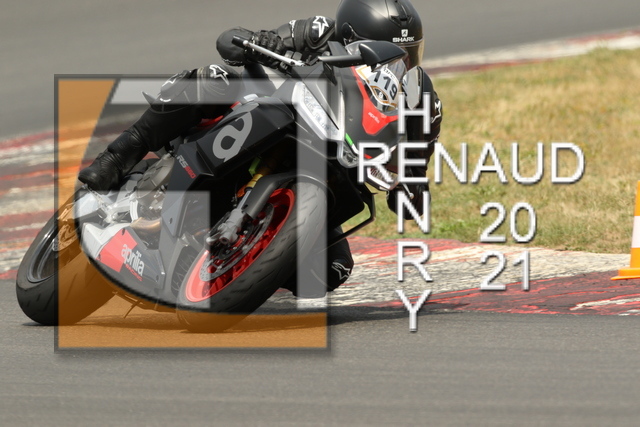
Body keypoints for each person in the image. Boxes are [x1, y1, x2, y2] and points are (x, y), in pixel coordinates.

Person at [78, 0, 443, 295]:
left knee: (332, 270)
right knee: (211, 80)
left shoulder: (422, 98)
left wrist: (411, 185)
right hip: (271, 114)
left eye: (408, 54)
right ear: (352, 37)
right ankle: (118, 156)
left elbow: (416, 165)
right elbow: (234, 42)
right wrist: (261, 43)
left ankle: (245, 265)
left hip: (335, 163)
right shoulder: (319, 32)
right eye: (389, 52)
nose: (399, 65)